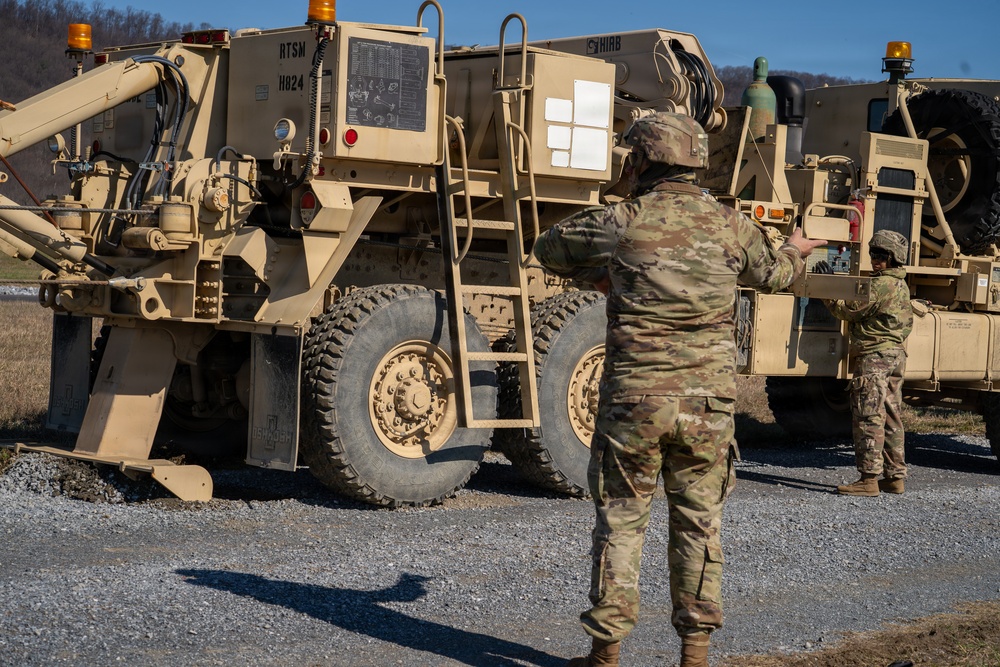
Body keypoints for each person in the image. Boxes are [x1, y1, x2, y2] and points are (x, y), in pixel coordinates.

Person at [532, 111, 825, 667]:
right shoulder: (731, 225)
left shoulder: (622, 220)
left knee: (621, 520)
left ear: (640, 161)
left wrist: (604, 268)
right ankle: (695, 653)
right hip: (708, 405)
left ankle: (605, 654)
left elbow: (547, 249)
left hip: (634, 401)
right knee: (698, 523)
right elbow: (776, 276)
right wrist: (795, 247)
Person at [824, 229, 913, 496]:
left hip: (875, 357)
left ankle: (869, 479)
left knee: (868, 415)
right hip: (894, 355)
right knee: (891, 416)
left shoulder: (881, 284)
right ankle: (895, 477)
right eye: (873, 254)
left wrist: (826, 287)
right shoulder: (900, 283)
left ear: (893, 257)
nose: (875, 260)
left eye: (881, 255)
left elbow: (847, 310)